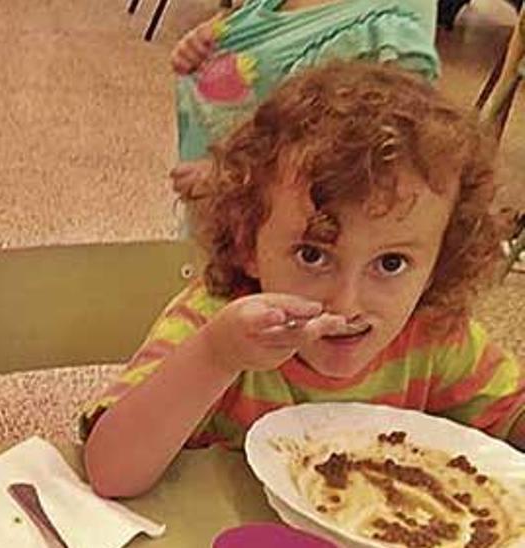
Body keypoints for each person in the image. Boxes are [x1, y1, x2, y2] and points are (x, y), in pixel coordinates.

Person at [83, 62, 524, 499]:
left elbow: (512, 418)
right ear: (245, 242)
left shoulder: (436, 336)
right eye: (313, 255)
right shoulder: (213, 326)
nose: (346, 304)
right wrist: (215, 357)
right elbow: (110, 471)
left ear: (441, 258)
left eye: (391, 263)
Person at [170, 0, 438, 194]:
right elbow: (250, 51)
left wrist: (240, 174)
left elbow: (372, 166)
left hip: (280, 246)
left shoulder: (389, 37)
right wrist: (199, 47)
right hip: (218, 222)